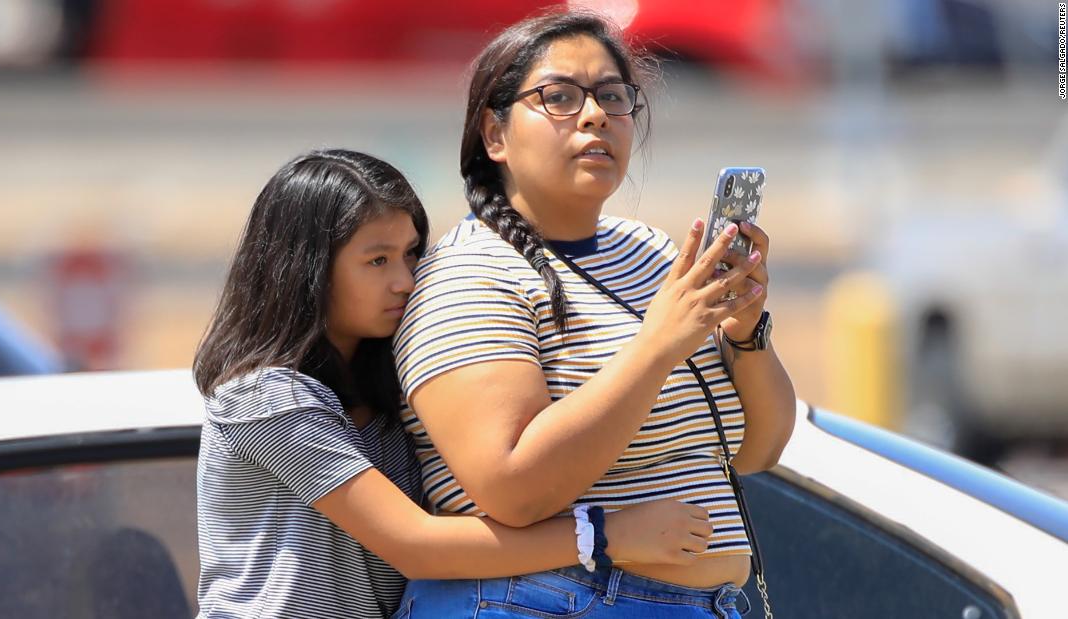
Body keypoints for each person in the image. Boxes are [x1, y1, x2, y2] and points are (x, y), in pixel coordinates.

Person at [191, 149, 715, 619]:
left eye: (412, 253)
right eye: (377, 260)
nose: (404, 279)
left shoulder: (391, 387)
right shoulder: (264, 396)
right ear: (305, 270)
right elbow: (415, 544)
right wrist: (606, 535)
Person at [393, 10, 797, 618]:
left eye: (613, 96)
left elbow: (756, 450)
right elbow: (514, 489)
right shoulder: (470, 272)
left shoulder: (651, 250)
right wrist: (658, 345)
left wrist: (746, 333)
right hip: (545, 601)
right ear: (494, 135)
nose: (594, 115)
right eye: (558, 97)